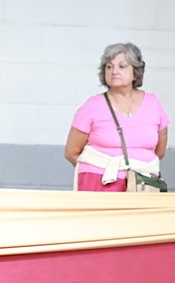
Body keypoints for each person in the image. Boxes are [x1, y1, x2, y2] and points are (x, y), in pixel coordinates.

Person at [64, 42, 169, 191]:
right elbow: (71, 152)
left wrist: (133, 169)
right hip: (98, 183)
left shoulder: (153, 103)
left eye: (122, 66)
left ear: (135, 71)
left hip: (141, 186)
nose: (114, 71)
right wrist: (97, 171)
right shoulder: (92, 106)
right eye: (109, 66)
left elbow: (159, 151)